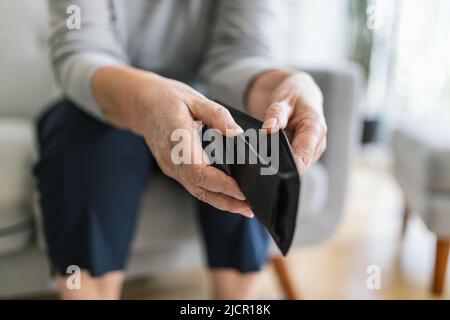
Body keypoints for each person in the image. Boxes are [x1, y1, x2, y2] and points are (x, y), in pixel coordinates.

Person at [36, 0, 327, 300]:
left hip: (205, 103)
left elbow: (240, 51)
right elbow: (81, 50)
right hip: (103, 101)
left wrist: (287, 83)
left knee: (245, 140)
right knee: (86, 145)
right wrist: (144, 97)